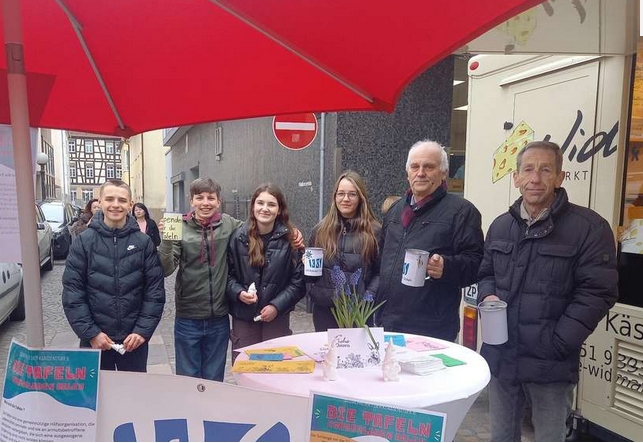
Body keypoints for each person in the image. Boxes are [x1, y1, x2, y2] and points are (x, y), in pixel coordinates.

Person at [477, 141, 618, 442]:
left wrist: (558, 342)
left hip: (550, 362)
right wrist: (487, 296)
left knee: (550, 438)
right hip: (502, 355)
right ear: (516, 178)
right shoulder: (501, 226)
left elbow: (597, 292)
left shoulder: (589, 228)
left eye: (545, 170)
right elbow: (486, 273)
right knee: (501, 438)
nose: (535, 178)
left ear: (560, 177)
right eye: (528, 170)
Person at [375, 139, 484, 341]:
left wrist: (447, 267)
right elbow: (382, 263)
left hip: (431, 330)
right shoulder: (395, 211)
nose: (421, 172)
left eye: (429, 166)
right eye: (415, 166)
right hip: (388, 324)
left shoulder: (461, 211)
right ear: (407, 173)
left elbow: (477, 265)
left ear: (443, 173)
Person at [62, 179, 165, 372]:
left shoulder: (143, 243)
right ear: (100, 202)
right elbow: (73, 293)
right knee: (98, 399)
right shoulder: (84, 241)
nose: (116, 205)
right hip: (95, 341)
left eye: (122, 200)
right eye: (109, 199)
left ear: (130, 204)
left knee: (133, 398)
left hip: (133, 341)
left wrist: (142, 331)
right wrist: (91, 333)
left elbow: (155, 292)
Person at [226, 183, 305, 359]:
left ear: (279, 210)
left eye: (271, 204)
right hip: (244, 317)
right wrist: (239, 293)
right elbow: (227, 276)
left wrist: (277, 306)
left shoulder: (291, 240)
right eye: (260, 203)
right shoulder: (238, 237)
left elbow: (299, 282)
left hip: (277, 319)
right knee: (246, 370)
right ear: (253, 206)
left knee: (275, 372)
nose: (265, 209)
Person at [307, 171, 381, 331]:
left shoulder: (374, 232)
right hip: (325, 309)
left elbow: (380, 272)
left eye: (352, 194)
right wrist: (312, 289)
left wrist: (368, 296)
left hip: (359, 311)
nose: (345, 199)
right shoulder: (320, 230)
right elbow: (310, 272)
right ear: (335, 197)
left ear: (361, 197)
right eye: (341, 193)